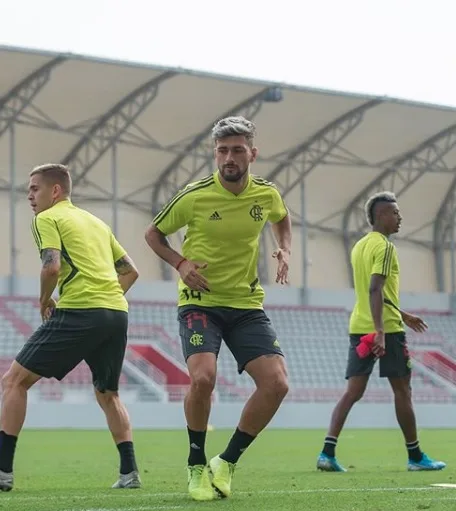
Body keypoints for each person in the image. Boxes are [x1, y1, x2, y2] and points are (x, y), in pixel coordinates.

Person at [145, 116, 291, 501]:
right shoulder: (194, 195)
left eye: (237, 150)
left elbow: (282, 218)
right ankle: (196, 464)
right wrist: (180, 264)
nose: (229, 157)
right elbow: (153, 234)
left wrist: (284, 248)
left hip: (245, 304)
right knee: (203, 378)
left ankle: (226, 462)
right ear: (215, 154)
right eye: (222, 150)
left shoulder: (266, 194)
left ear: (252, 154)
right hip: (200, 302)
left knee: (276, 383)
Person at [0, 164, 141, 491]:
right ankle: (129, 472)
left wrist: (44, 300)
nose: (30, 196)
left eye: (35, 188)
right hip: (116, 313)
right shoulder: (96, 222)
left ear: (55, 191)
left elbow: (51, 267)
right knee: (108, 393)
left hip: (80, 310)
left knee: (14, 382)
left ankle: (3, 471)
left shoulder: (47, 219)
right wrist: (106, 297)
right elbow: (130, 271)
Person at [316, 191, 446, 472]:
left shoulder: (360, 246)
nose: (400, 217)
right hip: (384, 330)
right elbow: (375, 287)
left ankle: (326, 453)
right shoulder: (386, 248)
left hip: (359, 327)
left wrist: (403, 313)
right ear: (381, 216)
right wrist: (380, 330)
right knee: (403, 391)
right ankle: (415, 458)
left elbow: (374, 292)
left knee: (352, 392)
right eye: (395, 212)